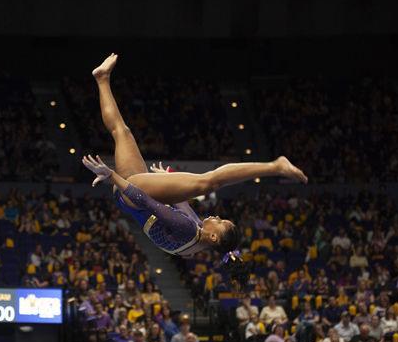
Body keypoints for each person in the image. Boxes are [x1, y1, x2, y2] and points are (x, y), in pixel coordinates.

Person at [81, 53, 307, 260]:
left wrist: (111, 175)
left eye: (220, 222)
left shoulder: (188, 230)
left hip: (134, 194)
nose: (217, 217)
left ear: (214, 237)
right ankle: (102, 78)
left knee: (208, 183)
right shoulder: (195, 240)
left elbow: (146, 200)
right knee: (121, 131)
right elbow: (178, 203)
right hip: (131, 198)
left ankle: (275, 166)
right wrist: (167, 178)